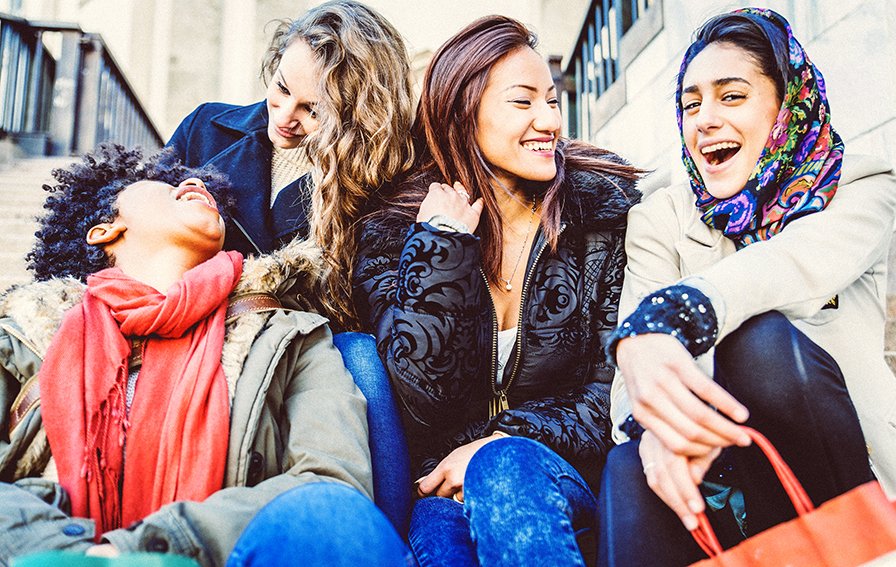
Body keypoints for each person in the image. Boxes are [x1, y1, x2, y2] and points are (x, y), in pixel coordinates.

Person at [0, 144, 407, 566]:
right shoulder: (25, 336)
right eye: (168, 185)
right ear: (105, 230)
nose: (193, 184)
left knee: (335, 518)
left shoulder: (289, 335)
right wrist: (71, 554)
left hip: (222, 555)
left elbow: (333, 485)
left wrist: (157, 547)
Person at [599, 8, 896, 566]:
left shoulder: (859, 183)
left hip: (843, 474)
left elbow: (787, 267)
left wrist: (675, 318)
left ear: (786, 106)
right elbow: (628, 386)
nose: (704, 119)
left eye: (731, 96)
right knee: (628, 464)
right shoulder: (661, 216)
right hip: (719, 479)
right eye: (690, 103)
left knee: (760, 344)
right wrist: (663, 421)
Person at [354, 16, 642, 566]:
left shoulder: (602, 216)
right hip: (443, 488)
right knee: (440, 536)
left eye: (552, 101)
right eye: (523, 101)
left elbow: (614, 388)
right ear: (464, 111)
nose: (549, 121)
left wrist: (496, 442)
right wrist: (442, 246)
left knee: (506, 466)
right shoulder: (395, 233)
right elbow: (424, 399)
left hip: (564, 473)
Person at [168, 0, 415, 332]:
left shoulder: (378, 182)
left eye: (314, 110)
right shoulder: (204, 128)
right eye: (282, 87)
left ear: (356, 115)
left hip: (298, 351)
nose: (284, 116)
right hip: (188, 326)